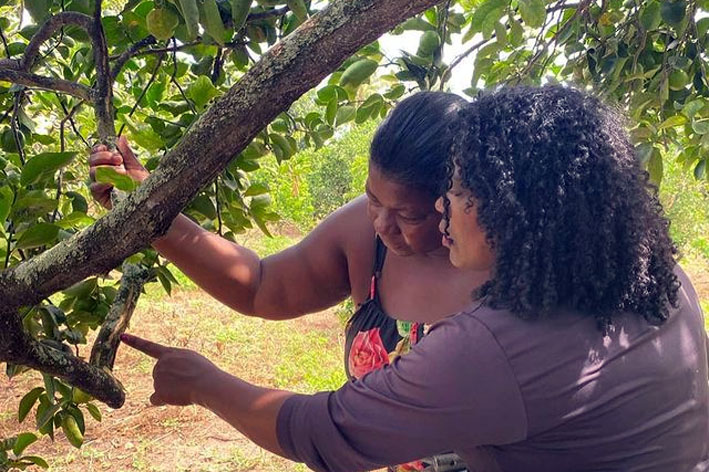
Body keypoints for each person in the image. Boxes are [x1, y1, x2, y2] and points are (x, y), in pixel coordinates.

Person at [120, 85, 708, 471]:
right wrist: (156, 216)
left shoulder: (495, 343)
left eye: (454, 192)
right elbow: (265, 284)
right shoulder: (648, 274)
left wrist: (202, 381)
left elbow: (325, 430)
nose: (447, 210)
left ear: (511, 208)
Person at [90, 92, 484, 471]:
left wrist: (205, 385)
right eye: (373, 199)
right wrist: (147, 207)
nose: (382, 224)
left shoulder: (513, 277)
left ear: (464, 200)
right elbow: (261, 286)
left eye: (408, 216)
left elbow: (334, 433)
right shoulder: (366, 237)